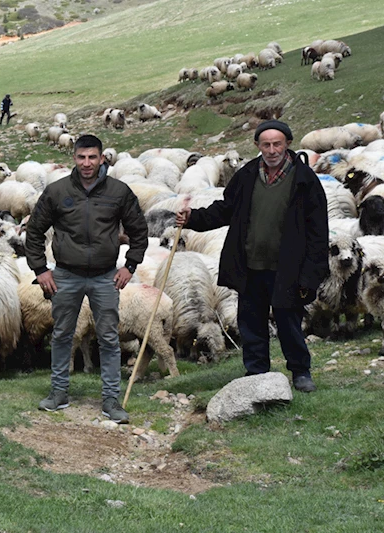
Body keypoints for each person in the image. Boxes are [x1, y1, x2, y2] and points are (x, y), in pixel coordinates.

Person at [175, 120, 329, 392]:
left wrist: (312, 273)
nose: (271, 150)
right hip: (250, 265)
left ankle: (300, 372)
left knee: (289, 322)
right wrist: (193, 218)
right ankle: (256, 370)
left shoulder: (305, 180)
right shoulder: (247, 175)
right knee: (251, 322)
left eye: (277, 144)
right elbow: (225, 209)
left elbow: (318, 231)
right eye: (266, 144)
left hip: (288, 268)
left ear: (288, 144)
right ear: (258, 146)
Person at [24, 134, 148, 423]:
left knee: (108, 336)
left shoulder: (118, 192)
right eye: (81, 157)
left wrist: (130, 265)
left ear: (102, 158)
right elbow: (34, 232)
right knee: (62, 333)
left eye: (93, 157)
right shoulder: (57, 191)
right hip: (66, 274)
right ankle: (58, 392)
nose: (87, 163)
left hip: (106, 275)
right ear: (74, 158)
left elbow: (139, 230)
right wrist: (41, 269)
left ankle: (110, 399)